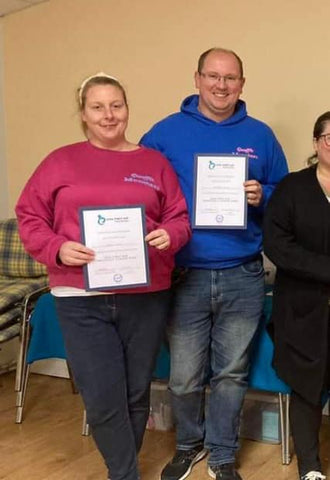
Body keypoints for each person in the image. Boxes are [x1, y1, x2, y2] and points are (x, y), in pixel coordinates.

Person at [15, 72, 191, 480]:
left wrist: (171, 234)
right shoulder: (59, 161)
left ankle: (121, 472)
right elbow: (30, 216)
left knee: (135, 390)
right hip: (79, 295)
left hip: (145, 294)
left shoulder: (153, 162)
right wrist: (56, 247)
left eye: (117, 105)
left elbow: (178, 217)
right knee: (100, 394)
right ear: (83, 114)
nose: (109, 115)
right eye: (98, 107)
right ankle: (125, 473)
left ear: (127, 108)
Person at [140, 47, 288, 480]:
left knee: (230, 373)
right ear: (197, 79)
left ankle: (222, 453)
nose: (221, 85)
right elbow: (143, 192)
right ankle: (188, 445)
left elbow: (284, 192)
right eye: (213, 76)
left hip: (243, 273)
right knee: (184, 377)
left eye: (231, 78)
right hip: (185, 273)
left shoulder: (260, 135)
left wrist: (265, 194)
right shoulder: (164, 133)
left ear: (242, 83)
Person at [264, 112, 330, 480]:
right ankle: (310, 467)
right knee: (307, 386)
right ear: (316, 141)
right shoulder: (292, 188)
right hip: (302, 308)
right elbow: (276, 243)